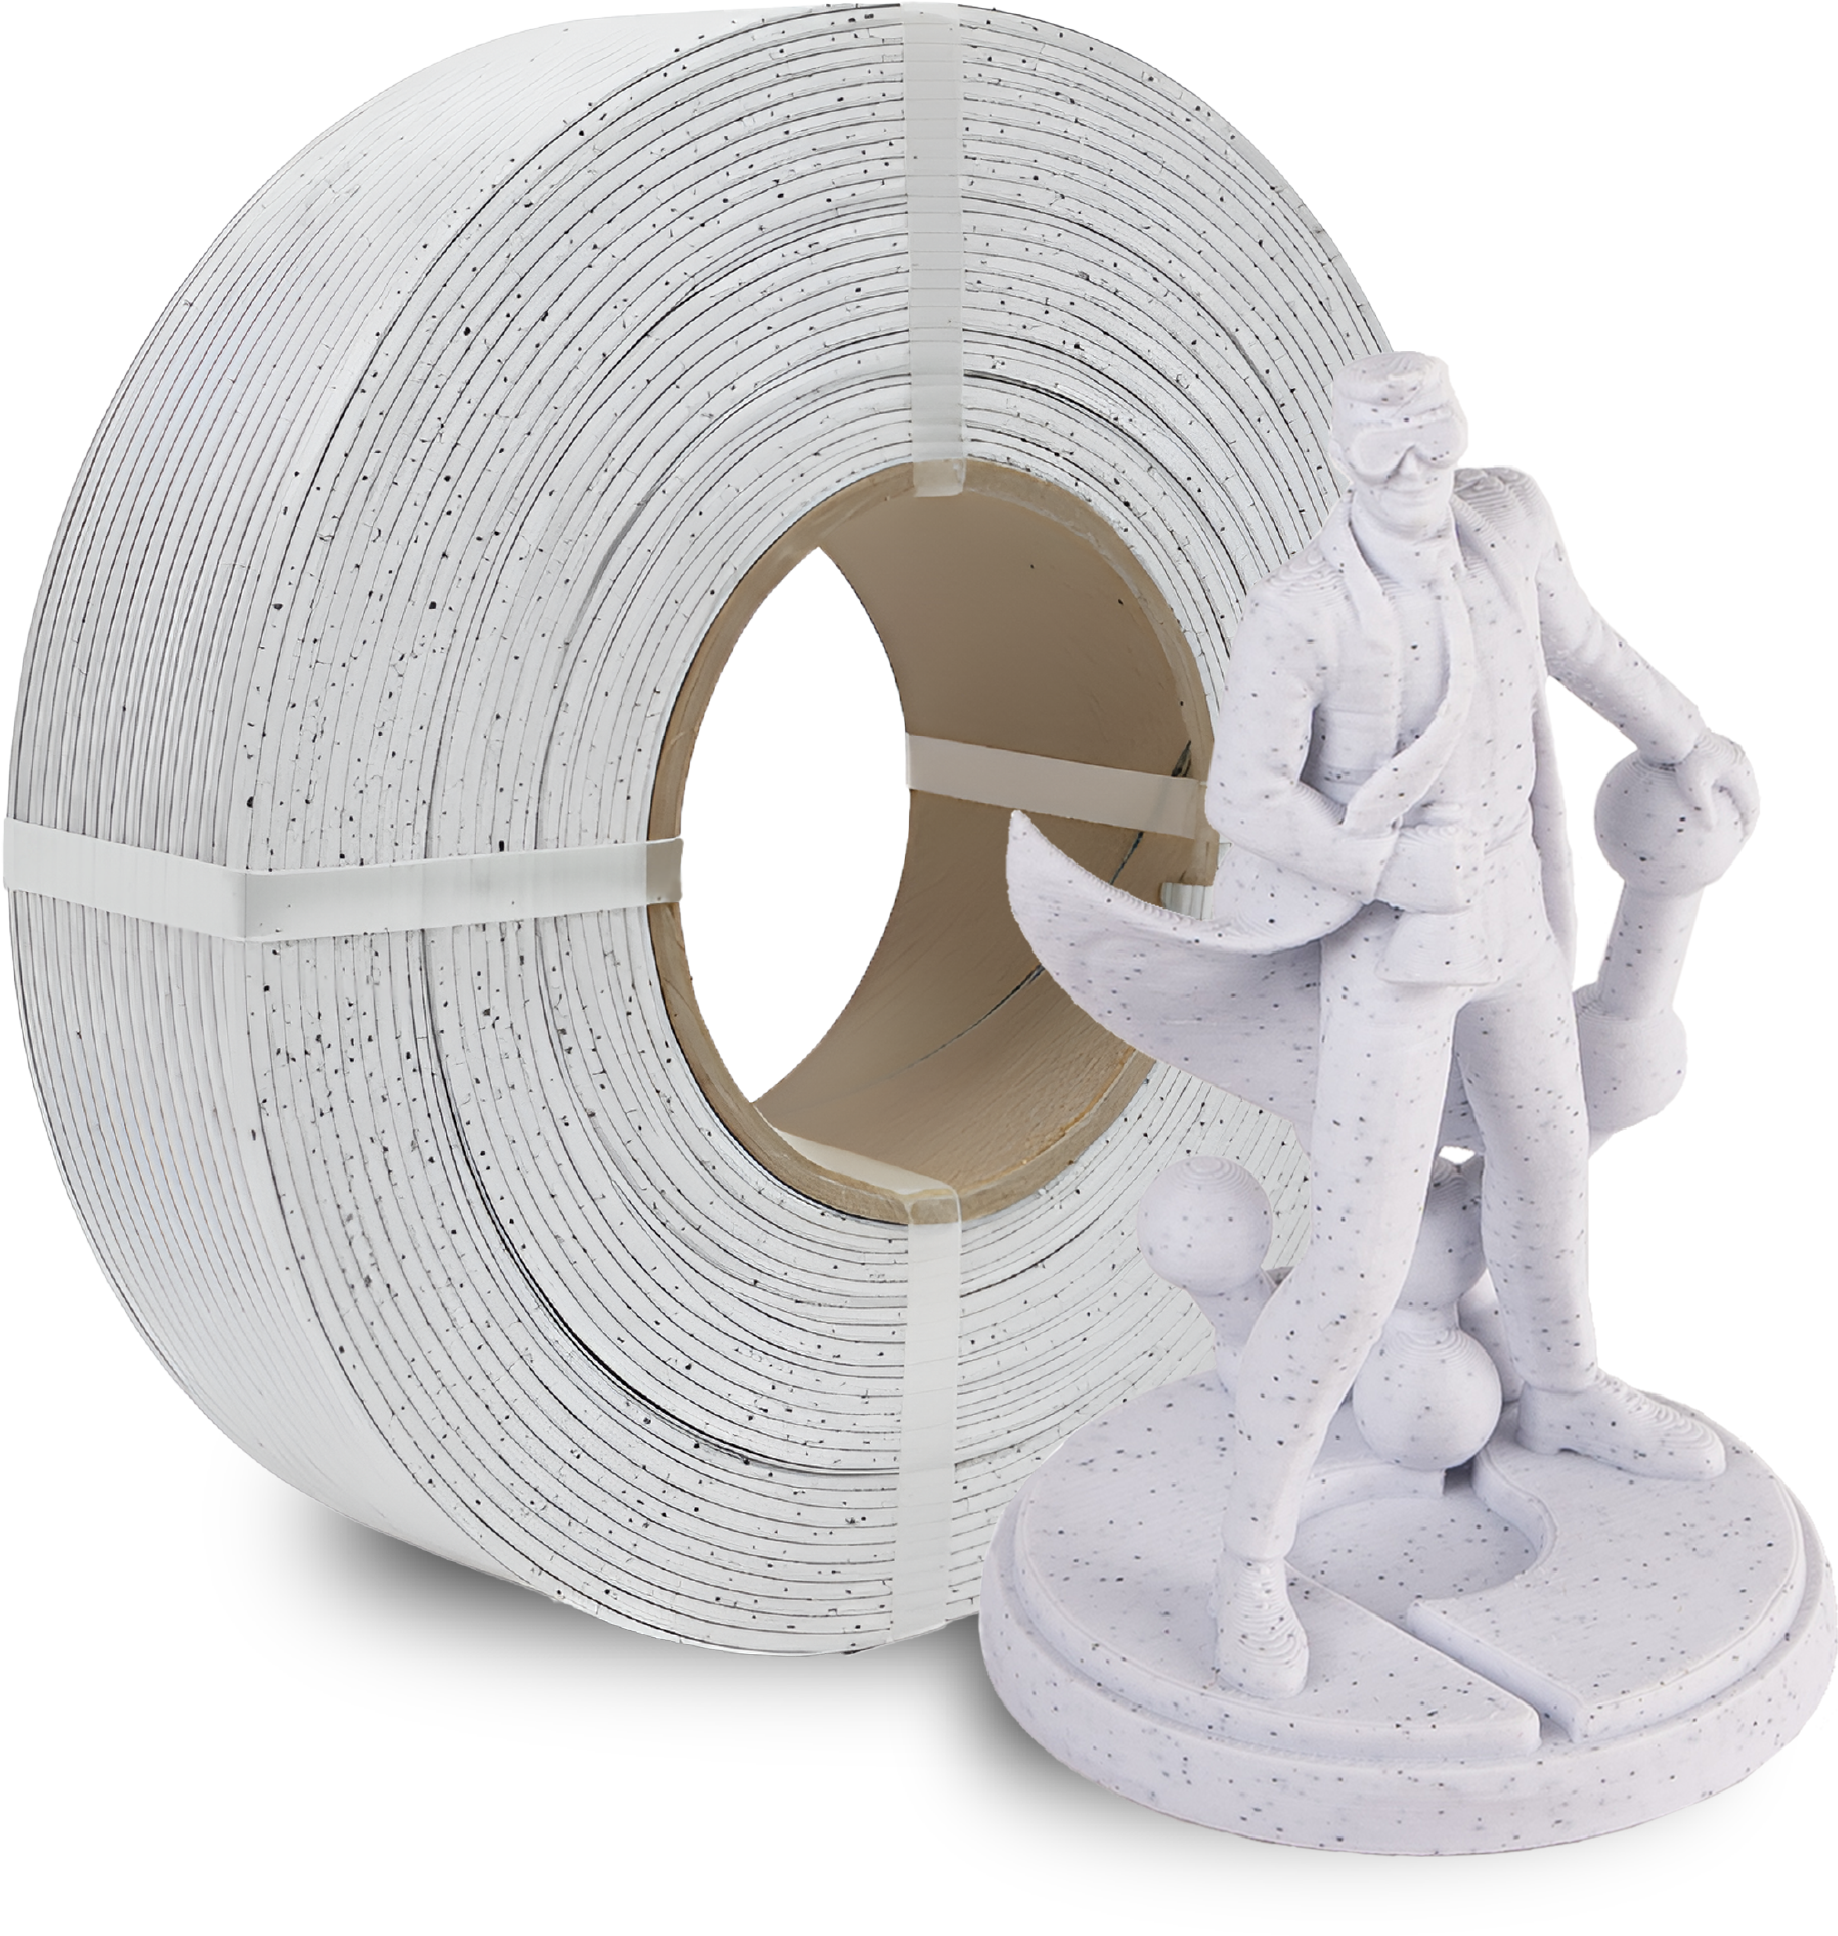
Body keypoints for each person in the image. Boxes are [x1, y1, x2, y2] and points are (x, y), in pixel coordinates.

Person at [1204, 351, 1759, 1698]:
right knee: (1354, 1261)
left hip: (1508, 918)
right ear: (1340, 456)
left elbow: (1584, 643)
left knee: (1548, 1162)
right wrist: (1377, 865)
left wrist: (1687, 737)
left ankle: (1563, 1391)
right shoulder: (1301, 613)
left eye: (1430, 433)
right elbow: (1243, 797)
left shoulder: (1505, 527)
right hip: (1388, 948)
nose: (1414, 465)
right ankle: (1248, 1568)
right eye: (1382, 443)